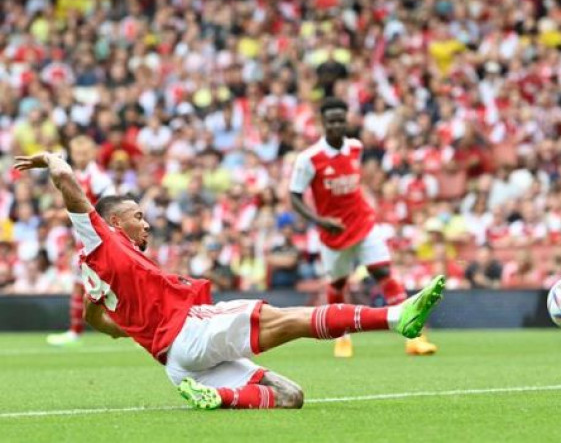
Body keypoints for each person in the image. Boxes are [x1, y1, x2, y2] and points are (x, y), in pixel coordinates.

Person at [13, 152, 445, 411]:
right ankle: (395, 316)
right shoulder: (101, 239)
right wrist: (50, 158)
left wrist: (131, 327)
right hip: (191, 332)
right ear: (113, 222)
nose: (146, 224)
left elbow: (96, 318)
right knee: (291, 318)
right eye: (138, 216)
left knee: (290, 395)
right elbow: (67, 181)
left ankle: (217, 396)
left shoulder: (91, 268)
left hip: (177, 366)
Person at [290, 97, 438, 357]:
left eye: (340, 120)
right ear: (323, 123)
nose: (336, 125)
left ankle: (414, 338)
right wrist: (321, 221)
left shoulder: (355, 148)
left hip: (363, 223)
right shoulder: (309, 159)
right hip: (333, 232)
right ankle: (342, 339)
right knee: (338, 284)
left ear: (346, 121)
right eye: (331, 121)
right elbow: (295, 196)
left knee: (384, 273)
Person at [47, 135, 115, 347]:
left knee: (114, 286)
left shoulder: (98, 177)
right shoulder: (79, 176)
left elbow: (110, 205)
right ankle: (75, 331)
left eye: (84, 153)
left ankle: (76, 332)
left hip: (97, 239)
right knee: (80, 284)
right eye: (77, 153)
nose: (81, 157)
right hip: (85, 238)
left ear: (92, 153)